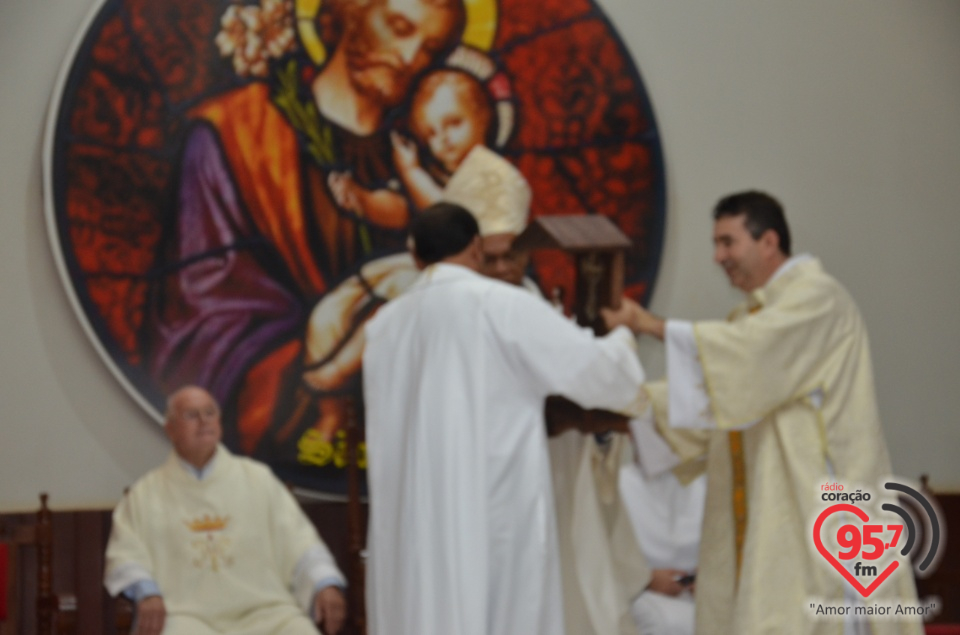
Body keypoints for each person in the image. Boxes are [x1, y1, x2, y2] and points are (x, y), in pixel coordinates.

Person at [144, 0, 467, 458]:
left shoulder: (426, 160)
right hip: (282, 419)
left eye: (432, 48)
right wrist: (319, 370)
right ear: (349, 12)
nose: (412, 56)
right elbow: (199, 325)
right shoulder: (235, 134)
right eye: (399, 27)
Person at [604, 191, 922, 635]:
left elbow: (747, 358)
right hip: (775, 518)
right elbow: (720, 402)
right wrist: (619, 404)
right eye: (717, 244)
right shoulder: (756, 317)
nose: (718, 257)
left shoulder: (817, 298)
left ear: (769, 241)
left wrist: (645, 325)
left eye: (728, 242)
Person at [362, 202, 647, 635]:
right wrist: (624, 335)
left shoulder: (384, 326)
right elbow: (602, 376)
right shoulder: (499, 304)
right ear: (475, 247)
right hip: (488, 510)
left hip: (414, 523)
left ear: (417, 258)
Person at [441, 147, 650, 635]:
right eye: (488, 259)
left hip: (548, 476)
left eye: (511, 255)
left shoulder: (536, 308)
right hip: (475, 484)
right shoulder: (447, 314)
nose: (501, 269)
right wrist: (624, 340)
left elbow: (594, 379)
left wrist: (613, 343)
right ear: (470, 255)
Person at [104, 386, 347, 635]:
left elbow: (301, 543)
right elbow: (126, 555)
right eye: (191, 414)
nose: (203, 421)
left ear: (220, 423)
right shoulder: (146, 493)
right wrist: (147, 593)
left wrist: (325, 583)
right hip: (185, 616)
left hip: (267, 613)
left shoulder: (258, 480)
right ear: (170, 429)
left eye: (210, 412)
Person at [329, 68, 494, 223]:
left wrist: (411, 172)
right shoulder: (436, 172)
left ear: (483, 117)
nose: (443, 138)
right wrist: (365, 201)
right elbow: (404, 212)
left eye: (453, 123)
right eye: (432, 133)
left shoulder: (490, 174)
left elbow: (448, 216)